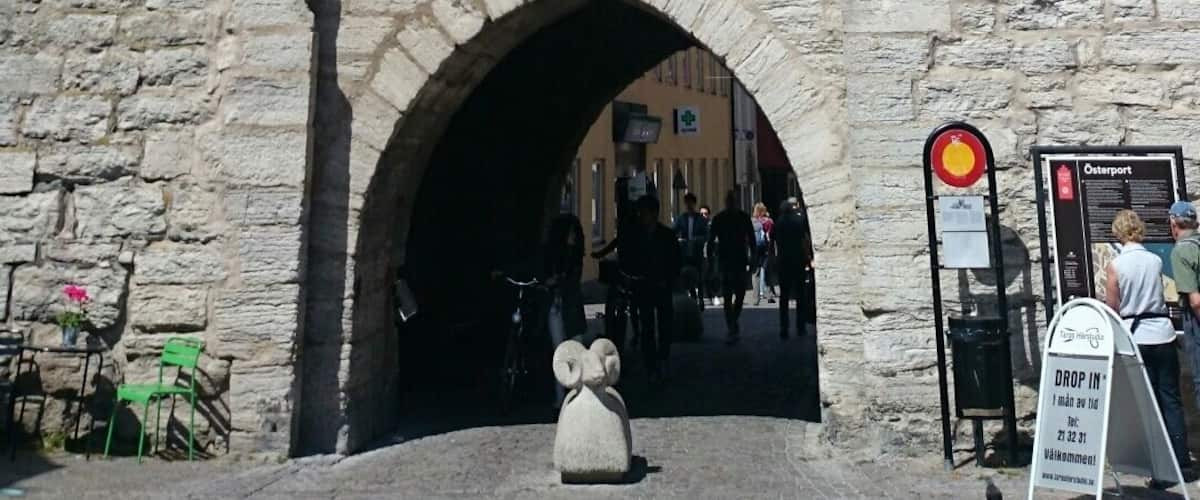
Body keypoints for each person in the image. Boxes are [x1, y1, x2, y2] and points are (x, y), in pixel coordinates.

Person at [1105, 210, 1190, 481]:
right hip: (1162, 333)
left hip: (1136, 337)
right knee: (1172, 400)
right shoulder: (1154, 261)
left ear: (1118, 233)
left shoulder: (1116, 266)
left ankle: (1160, 469)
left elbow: (1113, 307)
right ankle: (1181, 461)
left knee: (1149, 404)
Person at [620, 195, 680, 382]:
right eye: (640, 213)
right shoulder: (635, 236)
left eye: (644, 212)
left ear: (653, 214)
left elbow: (675, 260)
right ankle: (651, 366)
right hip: (643, 286)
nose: (641, 216)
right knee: (646, 327)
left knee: (665, 325)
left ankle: (663, 357)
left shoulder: (667, 235)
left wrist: (669, 280)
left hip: (662, 286)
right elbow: (628, 259)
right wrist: (631, 277)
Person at [545, 213, 586, 408]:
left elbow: (572, 279)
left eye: (575, 233)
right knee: (558, 354)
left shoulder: (575, 256)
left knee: (576, 351)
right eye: (571, 232)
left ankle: (577, 393)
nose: (574, 236)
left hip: (570, 307)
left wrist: (556, 280)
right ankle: (559, 397)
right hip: (557, 307)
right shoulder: (552, 254)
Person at [708, 190, 755, 345]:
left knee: (739, 294)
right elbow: (710, 241)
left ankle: (733, 322)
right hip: (727, 261)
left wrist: (753, 259)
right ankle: (732, 325)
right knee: (729, 295)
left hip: (737, 261)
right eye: (729, 201)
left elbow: (752, 240)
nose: (731, 203)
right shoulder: (721, 218)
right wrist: (710, 261)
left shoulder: (742, 217)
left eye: (732, 201)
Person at [774, 196, 814, 340]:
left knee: (784, 296)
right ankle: (800, 326)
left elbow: (773, 243)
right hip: (797, 260)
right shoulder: (798, 221)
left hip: (783, 261)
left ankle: (784, 327)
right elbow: (805, 240)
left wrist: (774, 259)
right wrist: (808, 258)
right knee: (800, 294)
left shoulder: (778, 223)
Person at [674, 193, 708, 307]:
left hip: (697, 251)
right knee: (688, 276)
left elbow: (706, 235)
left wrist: (698, 239)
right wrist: (678, 240)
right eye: (687, 202)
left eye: (690, 202)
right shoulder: (681, 218)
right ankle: (693, 299)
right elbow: (673, 231)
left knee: (699, 276)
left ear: (694, 203)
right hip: (685, 251)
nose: (688, 205)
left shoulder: (700, 219)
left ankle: (701, 298)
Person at [751, 202, 775, 305]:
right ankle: (769, 296)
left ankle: (755, 299)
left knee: (755, 273)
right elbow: (773, 236)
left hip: (755, 250)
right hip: (766, 249)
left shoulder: (752, 222)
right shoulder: (769, 222)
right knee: (767, 272)